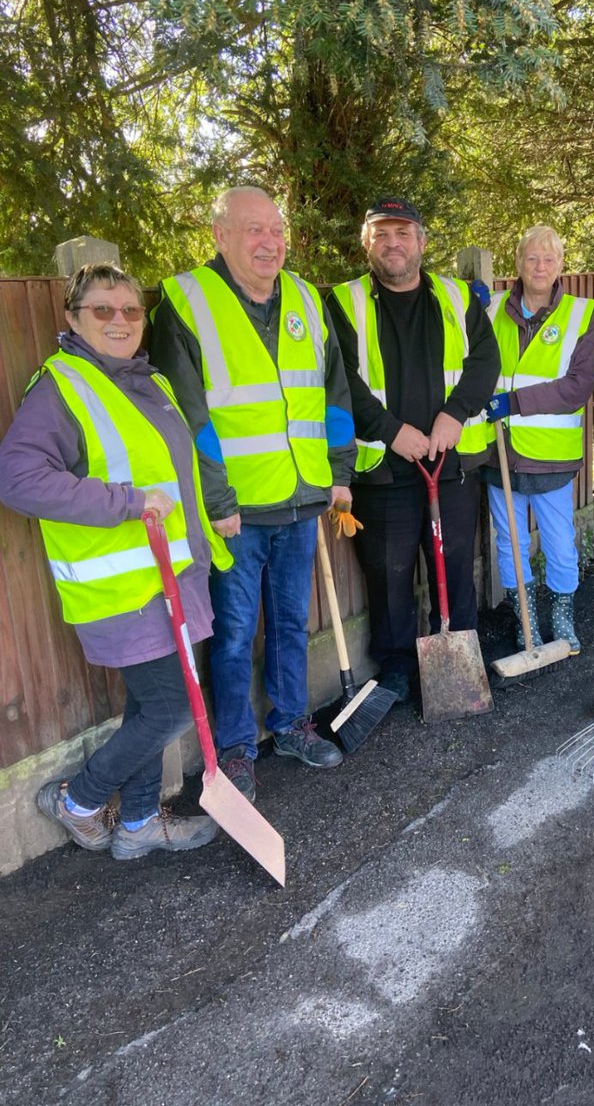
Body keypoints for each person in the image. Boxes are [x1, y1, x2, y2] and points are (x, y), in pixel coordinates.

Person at [0, 264, 228, 859]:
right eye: (103, 310)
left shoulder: (147, 381)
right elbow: (19, 479)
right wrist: (125, 503)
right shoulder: (62, 386)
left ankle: (137, 825)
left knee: (153, 706)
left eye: (130, 309)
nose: (120, 320)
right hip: (124, 590)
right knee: (173, 707)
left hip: (169, 578)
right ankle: (78, 799)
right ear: (73, 319)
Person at [150, 186, 356, 800]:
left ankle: (292, 723)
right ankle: (238, 747)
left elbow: (333, 396)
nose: (269, 242)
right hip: (236, 511)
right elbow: (185, 417)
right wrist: (216, 501)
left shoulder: (307, 300)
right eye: (252, 230)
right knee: (236, 633)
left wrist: (338, 475)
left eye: (276, 229)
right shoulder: (186, 301)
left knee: (292, 621)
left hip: (300, 500)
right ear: (219, 235)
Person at [327, 196, 500, 705]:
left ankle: (459, 650)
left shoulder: (457, 297)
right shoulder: (342, 303)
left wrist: (456, 412)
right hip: (383, 468)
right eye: (382, 234)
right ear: (367, 244)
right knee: (389, 574)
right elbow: (337, 381)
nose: (393, 243)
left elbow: (485, 362)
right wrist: (388, 429)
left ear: (422, 242)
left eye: (403, 233)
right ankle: (398, 664)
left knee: (454, 564)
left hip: (449, 465)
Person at [484, 225, 594, 653]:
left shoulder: (582, 314)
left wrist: (513, 401)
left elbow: (575, 389)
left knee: (558, 542)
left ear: (560, 266)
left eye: (548, 259)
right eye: (531, 258)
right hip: (500, 454)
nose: (539, 267)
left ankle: (562, 619)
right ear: (518, 263)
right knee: (509, 542)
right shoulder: (492, 309)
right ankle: (526, 621)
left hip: (551, 458)